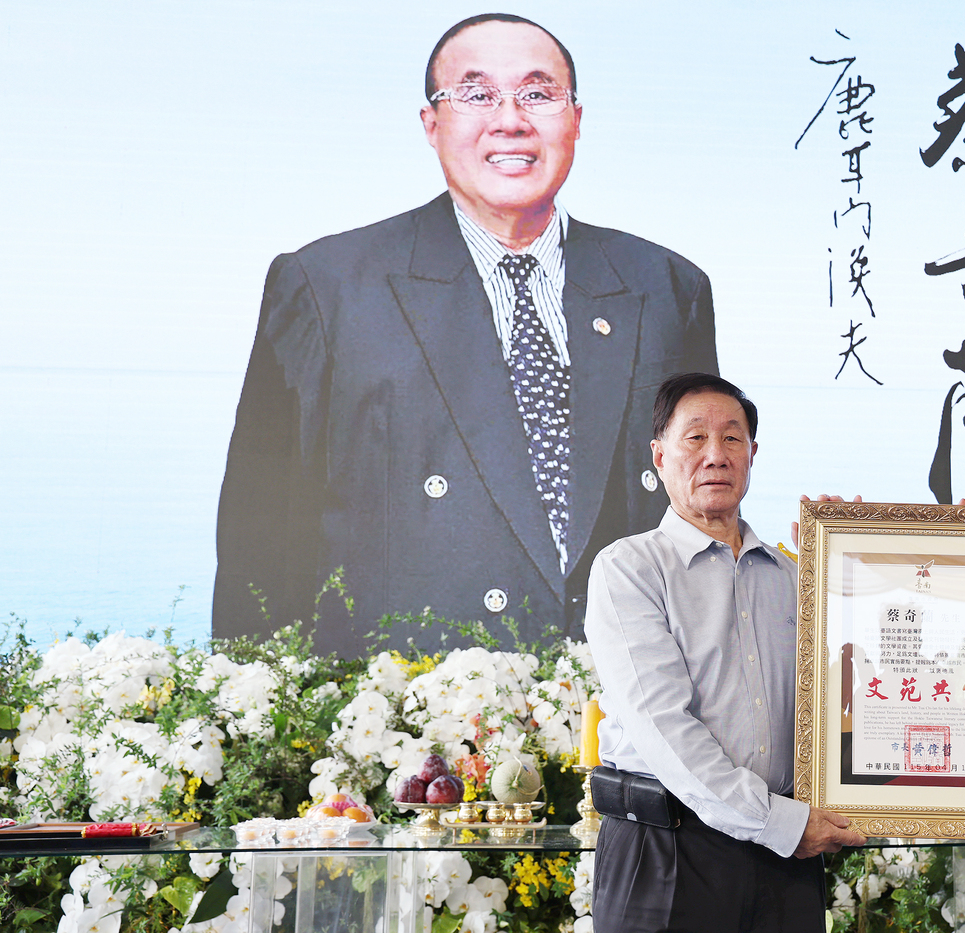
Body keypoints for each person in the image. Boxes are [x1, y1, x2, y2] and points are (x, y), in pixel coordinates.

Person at [213, 14, 718, 655]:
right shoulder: (327, 286)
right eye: (476, 94)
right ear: (431, 124)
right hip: (401, 698)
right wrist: (255, 695)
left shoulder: (667, 288)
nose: (510, 120)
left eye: (537, 93)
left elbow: (703, 510)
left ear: (576, 119)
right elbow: (260, 535)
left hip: (622, 695)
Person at [584, 372, 864, 932]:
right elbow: (662, 723)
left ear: (752, 454)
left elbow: (856, 692)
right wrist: (777, 823)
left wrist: (852, 563)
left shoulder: (797, 576)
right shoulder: (630, 569)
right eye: (696, 437)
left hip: (785, 857)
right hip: (669, 850)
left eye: (732, 438)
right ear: (659, 456)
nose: (716, 454)